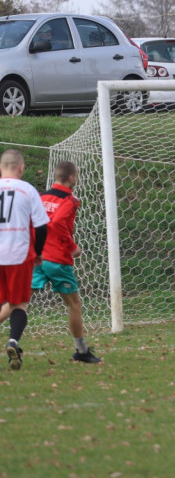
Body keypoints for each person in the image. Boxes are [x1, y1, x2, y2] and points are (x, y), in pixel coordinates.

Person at [0, 161, 100, 363]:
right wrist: (73, 247)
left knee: (18, 302)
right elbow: (57, 224)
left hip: (35, 258)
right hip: (57, 260)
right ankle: (81, 351)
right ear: (71, 178)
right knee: (74, 304)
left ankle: (14, 341)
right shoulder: (70, 201)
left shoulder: (40, 196)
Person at [0, 150, 49, 371]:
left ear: (2, 167)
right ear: (21, 168)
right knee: (18, 303)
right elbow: (41, 226)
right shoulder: (28, 190)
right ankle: (13, 341)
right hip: (18, 254)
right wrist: (38, 252)